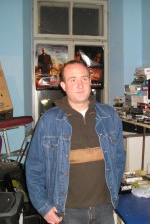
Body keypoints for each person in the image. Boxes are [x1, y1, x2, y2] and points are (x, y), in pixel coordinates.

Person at [25, 60, 126, 224]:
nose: (80, 85)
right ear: (63, 86)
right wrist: (43, 206)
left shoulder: (109, 116)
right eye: (73, 80)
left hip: (104, 209)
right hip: (67, 212)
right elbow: (34, 168)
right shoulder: (49, 120)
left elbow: (119, 159)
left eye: (84, 79)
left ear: (90, 82)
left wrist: (113, 194)